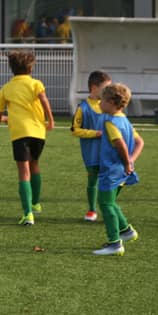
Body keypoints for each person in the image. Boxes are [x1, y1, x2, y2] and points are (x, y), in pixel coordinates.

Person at [0, 50, 55, 226]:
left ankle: (28, 214)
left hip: (20, 133)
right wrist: (50, 120)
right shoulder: (35, 84)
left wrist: (5, 119)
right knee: (35, 164)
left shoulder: (7, 87)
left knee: (23, 172)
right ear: (30, 67)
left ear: (11, 68)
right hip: (38, 132)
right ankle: (36, 204)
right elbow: (44, 100)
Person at [93, 83, 143, 256]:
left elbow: (119, 144)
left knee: (105, 203)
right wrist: (130, 161)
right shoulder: (125, 120)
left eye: (102, 100)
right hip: (122, 170)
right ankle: (126, 231)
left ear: (112, 102)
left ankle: (115, 243)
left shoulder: (110, 122)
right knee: (111, 202)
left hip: (112, 170)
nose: (99, 103)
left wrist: (127, 162)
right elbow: (140, 142)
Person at [70, 70, 111, 222]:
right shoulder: (83, 108)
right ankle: (92, 209)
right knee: (93, 179)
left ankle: (108, 207)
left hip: (109, 151)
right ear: (94, 88)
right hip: (92, 152)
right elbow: (75, 130)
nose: (108, 91)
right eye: (105, 88)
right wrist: (94, 133)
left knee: (110, 180)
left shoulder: (110, 106)